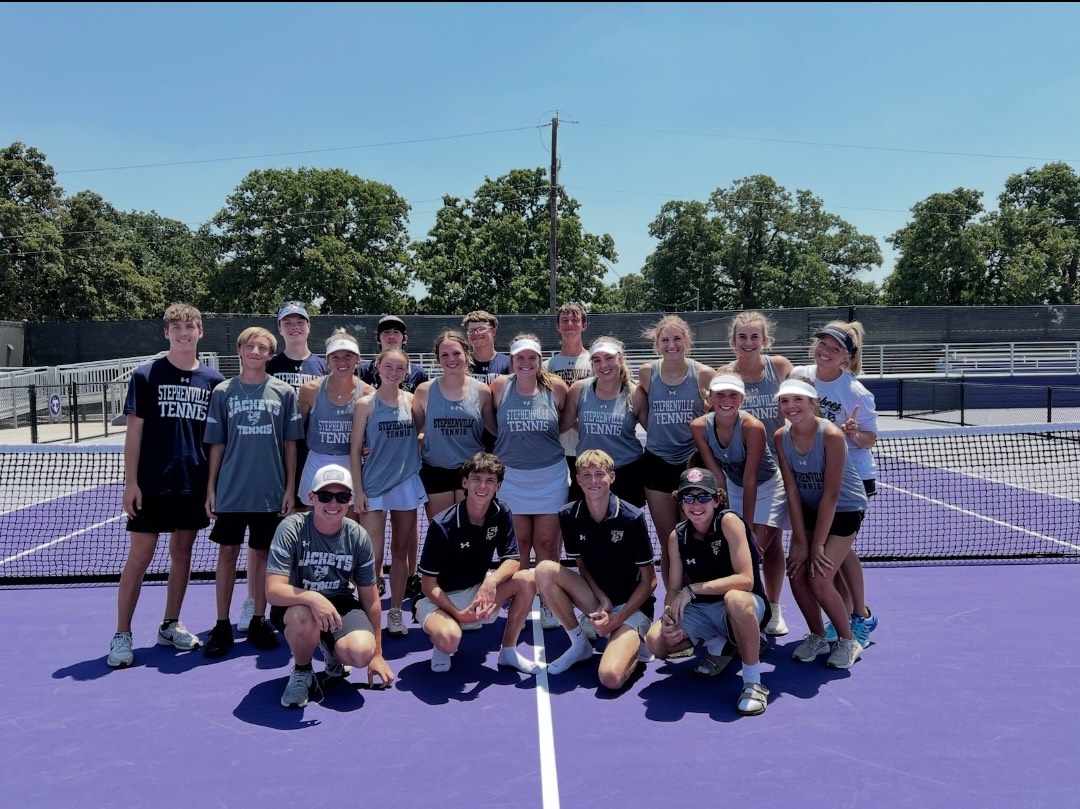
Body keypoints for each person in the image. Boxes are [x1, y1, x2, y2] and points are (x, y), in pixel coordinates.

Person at [107, 303, 225, 669]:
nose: (183, 333)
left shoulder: (214, 381)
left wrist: (212, 488)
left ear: (200, 332)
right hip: (152, 484)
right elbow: (134, 433)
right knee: (139, 558)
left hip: (193, 483)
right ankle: (122, 634)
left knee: (182, 554)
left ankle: (170, 624)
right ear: (166, 333)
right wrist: (131, 483)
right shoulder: (145, 375)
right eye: (176, 327)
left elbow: (216, 441)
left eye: (190, 327)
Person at [202, 326, 305, 658]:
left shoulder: (284, 392)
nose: (256, 352)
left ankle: (260, 619)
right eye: (250, 346)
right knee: (228, 556)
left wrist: (290, 487)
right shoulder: (222, 392)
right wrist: (212, 488)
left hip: (270, 492)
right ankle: (221, 625)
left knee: (263, 557)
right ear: (240, 350)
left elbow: (291, 445)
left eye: (263, 348)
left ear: (270, 355)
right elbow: (216, 445)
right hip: (232, 491)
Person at [644, 468, 771, 717]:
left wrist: (692, 590)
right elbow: (673, 589)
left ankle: (753, 683)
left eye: (703, 497)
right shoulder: (677, 536)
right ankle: (719, 643)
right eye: (688, 498)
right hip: (702, 610)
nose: (696, 504)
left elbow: (745, 580)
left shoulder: (729, 522)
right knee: (655, 641)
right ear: (681, 503)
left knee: (735, 599)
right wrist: (669, 616)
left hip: (745, 604)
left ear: (716, 500)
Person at [266, 464, 394, 708]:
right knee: (305, 615)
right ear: (311, 498)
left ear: (350, 501)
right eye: (325, 496)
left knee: (360, 652)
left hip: (340, 604)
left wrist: (377, 654)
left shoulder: (358, 536)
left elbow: (371, 597)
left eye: (342, 496)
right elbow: (273, 590)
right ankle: (303, 671)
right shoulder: (291, 529)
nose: (333, 503)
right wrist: (314, 599)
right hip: (297, 605)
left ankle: (331, 648)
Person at [535, 450, 656, 690]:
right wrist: (602, 601)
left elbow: (650, 581)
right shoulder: (568, 515)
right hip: (598, 601)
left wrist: (617, 619)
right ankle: (579, 644)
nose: (593, 481)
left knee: (610, 678)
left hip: (631, 607)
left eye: (599, 474)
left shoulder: (632, 518)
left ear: (612, 477)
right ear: (577, 480)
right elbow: (582, 566)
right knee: (544, 570)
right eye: (586, 475)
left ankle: (632, 637)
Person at [790, 321, 879, 646]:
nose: (825, 352)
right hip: (813, 478)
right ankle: (846, 614)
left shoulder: (855, 391)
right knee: (835, 555)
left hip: (852, 481)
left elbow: (869, 439)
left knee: (835, 554)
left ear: (846, 358)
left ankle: (860, 617)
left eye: (835, 348)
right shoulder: (800, 376)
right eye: (822, 344)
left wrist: (854, 433)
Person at [414, 453, 540, 674]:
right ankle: (444, 640)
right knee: (449, 640)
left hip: (477, 591)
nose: (483, 486)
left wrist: (490, 582)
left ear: (498, 486)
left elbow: (512, 560)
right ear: (465, 482)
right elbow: (428, 585)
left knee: (527, 579)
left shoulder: (502, 513)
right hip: (439, 598)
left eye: (490, 480)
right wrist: (458, 613)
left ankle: (508, 651)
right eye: (476, 479)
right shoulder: (442, 525)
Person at [774, 377, 868, 670]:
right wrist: (800, 541)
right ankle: (817, 635)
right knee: (796, 571)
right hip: (809, 508)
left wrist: (816, 545)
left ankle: (847, 639)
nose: (791, 407)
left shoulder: (830, 435)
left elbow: (832, 493)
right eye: (785, 401)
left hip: (845, 508)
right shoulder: (780, 437)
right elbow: (791, 489)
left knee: (819, 575)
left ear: (813, 403)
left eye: (798, 400)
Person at [247, 301, 328, 633]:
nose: (294, 327)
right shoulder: (269, 363)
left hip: (316, 460)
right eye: (288, 322)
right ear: (280, 328)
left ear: (309, 327)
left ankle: (306, 595)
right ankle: (254, 603)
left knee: (308, 533)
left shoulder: (324, 365)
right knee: (262, 540)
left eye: (300, 321)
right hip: (272, 462)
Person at [690, 373, 790, 638]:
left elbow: (751, 477)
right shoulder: (699, 426)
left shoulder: (752, 427)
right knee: (733, 548)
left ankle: (771, 608)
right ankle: (729, 613)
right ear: (709, 398)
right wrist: (720, 514)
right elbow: (718, 476)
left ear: (742, 399)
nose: (726, 400)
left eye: (733, 395)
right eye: (720, 395)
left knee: (756, 550)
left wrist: (744, 529)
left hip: (767, 486)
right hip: (732, 487)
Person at [715, 311, 794, 637]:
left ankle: (771, 607)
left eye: (754, 337)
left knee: (768, 544)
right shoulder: (724, 374)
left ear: (765, 340)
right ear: (733, 341)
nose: (748, 343)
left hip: (778, 471)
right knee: (753, 545)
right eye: (742, 337)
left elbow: (803, 405)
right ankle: (747, 608)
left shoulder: (780, 368)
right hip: (737, 474)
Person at [490, 334, 569, 630]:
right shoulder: (499, 387)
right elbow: (490, 422)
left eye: (531, 358)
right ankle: (521, 604)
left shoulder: (557, 389)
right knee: (519, 546)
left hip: (550, 476)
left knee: (547, 545)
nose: (526, 363)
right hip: (511, 478)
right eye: (520, 358)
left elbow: (565, 422)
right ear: (511, 361)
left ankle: (550, 602)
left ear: (539, 360)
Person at [350, 347, 427, 639]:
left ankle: (395, 611)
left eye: (400, 369)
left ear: (406, 372)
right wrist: (358, 491)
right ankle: (370, 614)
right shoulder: (365, 405)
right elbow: (355, 450)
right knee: (372, 555)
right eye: (389, 367)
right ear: (378, 368)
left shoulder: (411, 401)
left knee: (401, 553)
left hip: (406, 485)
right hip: (372, 487)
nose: (394, 373)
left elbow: (418, 431)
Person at [632, 315, 714, 587]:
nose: (671, 345)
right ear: (657, 343)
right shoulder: (647, 372)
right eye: (665, 339)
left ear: (687, 340)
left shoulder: (703, 374)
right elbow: (645, 410)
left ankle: (696, 598)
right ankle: (672, 601)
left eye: (677, 338)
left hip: (692, 464)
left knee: (694, 535)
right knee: (669, 538)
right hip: (656, 464)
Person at [412, 330, 497, 519]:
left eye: (456, 353)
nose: (451, 359)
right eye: (445, 354)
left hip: (472, 471)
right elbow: (410, 434)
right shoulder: (424, 391)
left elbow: (496, 431)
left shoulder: (482, 391)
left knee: (470, 533)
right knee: (441, 533)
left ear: (466, 354)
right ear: (438, 359)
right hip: (435, 471)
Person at [560, 336, 646, 507]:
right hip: (588, 472)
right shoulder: (579, 389)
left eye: (609, 358)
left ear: (620, 359)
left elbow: (655, 432)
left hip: (626, 472)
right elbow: (564, 425)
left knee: (625, 531)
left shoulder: (635, 393)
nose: (603, 365)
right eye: (597, 360)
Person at [296, 330, 371, 508]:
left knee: (349, 523)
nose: (342, 362)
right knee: (314, 523)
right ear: (327, 361)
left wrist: (369, 447)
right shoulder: (310, 390)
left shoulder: (368, 393)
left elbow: (372, 435)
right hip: (316, 462)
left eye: (348, 356)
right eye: (335, 357)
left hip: (351, 465)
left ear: (357, 359)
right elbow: (296, 431)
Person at [542, 302, 592, 502]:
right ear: (558, 327)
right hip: (558, 447)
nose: (570, 324)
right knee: (561, 503)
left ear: (584, 325)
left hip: (588, 443)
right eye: (564, 320)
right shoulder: (547, 366)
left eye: (575, 320)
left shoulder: (595, 361)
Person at [358, 315, 429, 393]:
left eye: (396, 332)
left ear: (405, 339)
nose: (391, 336)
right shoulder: (362, 371)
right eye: (386, 332)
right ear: (378, 338)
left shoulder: (418, 374)